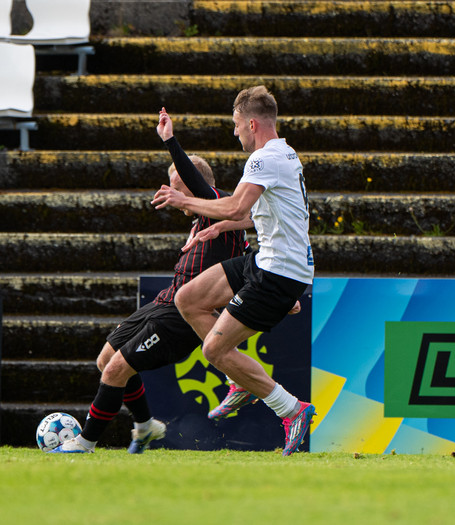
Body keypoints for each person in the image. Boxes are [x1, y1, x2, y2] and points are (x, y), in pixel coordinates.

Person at [51, 109, 251, 453]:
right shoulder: (205, 222)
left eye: (176, 185)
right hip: (164, 301)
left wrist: (170, 141)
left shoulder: (216, 204)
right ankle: (145, 426)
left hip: (182, 316)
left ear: (193, 185)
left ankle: (84, 443)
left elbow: (199, 185)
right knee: (105, 360)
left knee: (115, 370)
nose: (171, 193)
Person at [151, 85, 316, 456]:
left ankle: (291, 409)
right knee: (188, 299)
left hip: (279, 272)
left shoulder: (262, 160)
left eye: (237, 125)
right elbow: (256, 216)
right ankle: (238, 378)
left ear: (252, 124)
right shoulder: (286, 153)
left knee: (214, 349)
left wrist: (183, 199)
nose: (235, 132)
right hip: (268, 260)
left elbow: (235, 207)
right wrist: (221, 227)